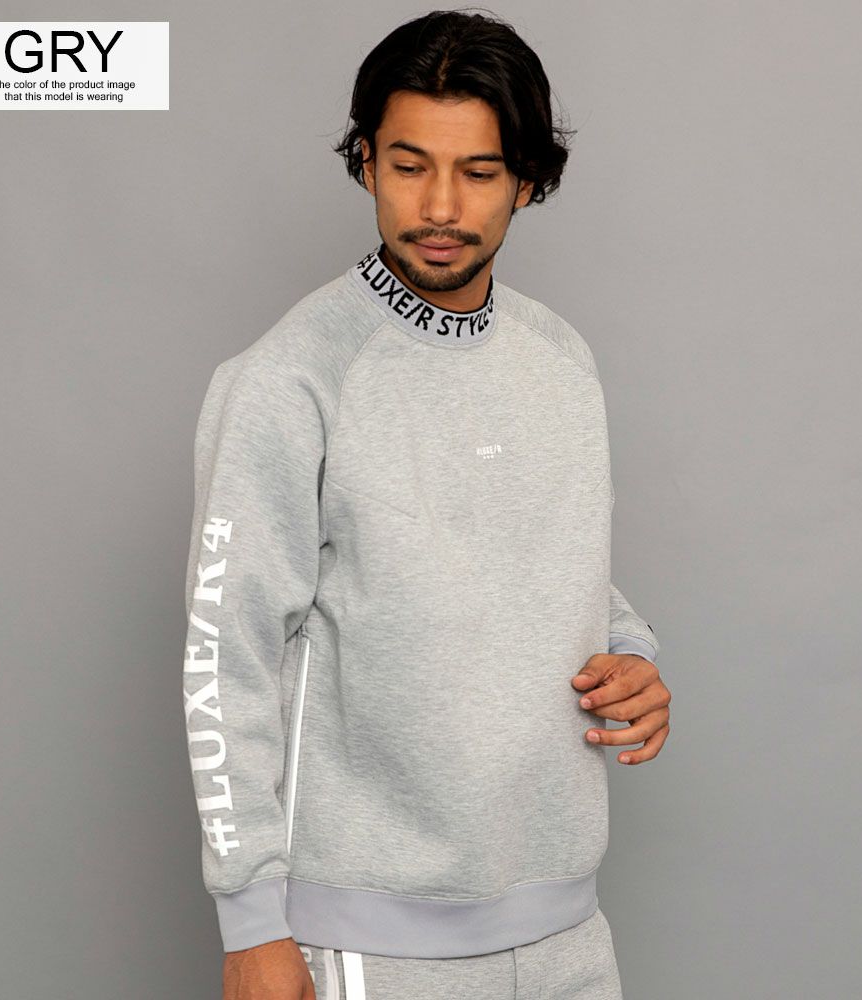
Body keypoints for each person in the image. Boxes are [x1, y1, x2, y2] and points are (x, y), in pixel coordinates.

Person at [182, 9, 672, 999]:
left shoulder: (559, 360)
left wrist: (633, 656)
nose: (440, 205)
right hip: (368, 944)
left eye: (479, 172)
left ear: (526, 179)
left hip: (569, 931)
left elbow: (557, 564)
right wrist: (252, 923)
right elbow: (224, 655)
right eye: (409, 166)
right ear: (366, 162)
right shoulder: (291, 379)